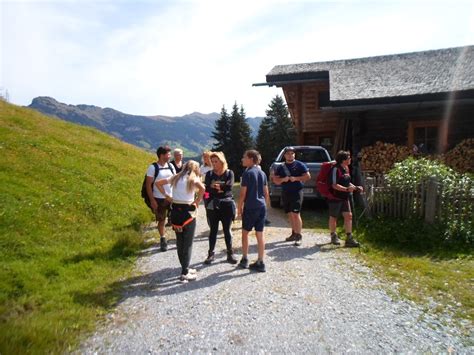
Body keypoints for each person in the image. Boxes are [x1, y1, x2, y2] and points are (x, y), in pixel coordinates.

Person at [155, 161, 205, 283]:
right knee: (188, 242)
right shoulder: (193, 179)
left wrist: (167, 196)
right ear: (195, 169)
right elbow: (203, 188)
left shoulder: (176, 177)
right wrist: (197, 201)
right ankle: (184, 272)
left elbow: (158, 183)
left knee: (180, 240)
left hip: (175, 212)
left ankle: (185, 267)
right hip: (188, 213)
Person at [237, 150, 270, 272]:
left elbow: (242, 194)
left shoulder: (247, 173)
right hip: (261, 207)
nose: (242, 159)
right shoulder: (262, 173)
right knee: (259, 234)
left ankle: (245, 259)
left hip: (250, 207)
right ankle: (261, 262)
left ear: (251, 159)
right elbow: (266, 193)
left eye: (244, 157)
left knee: (245, 233)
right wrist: (265, 207)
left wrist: (239, 209)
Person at [203, 152, 238, 265]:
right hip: (212, 205)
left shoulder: (229, 173)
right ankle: (211, 254)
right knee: (213, 230)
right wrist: (217, 189)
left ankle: (230, 253)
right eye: (212, 161)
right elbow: (207, 189)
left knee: (227, 230)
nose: (213, 164)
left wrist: (218, 187)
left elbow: (229, 187)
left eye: (216, 161)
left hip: (226, 205)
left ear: (222, 161)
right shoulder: (209, 174)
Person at [273, 147, 311, 246]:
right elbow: (275, 180)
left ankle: (298, 236)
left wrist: (296, 178)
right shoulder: (280, 167)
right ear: (284, 155)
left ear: (294, 154)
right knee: (290, 214)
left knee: (296, 213)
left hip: (297, 192)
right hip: (285, 193)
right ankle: (294, 233)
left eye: (292, 153)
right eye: (288, 154)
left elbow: (308, 176)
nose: (290, 155)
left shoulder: (299, 165)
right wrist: (283, 180)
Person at [328, 150, 363, 247]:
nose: (350, 159)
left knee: (349, 216)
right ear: (343, 160)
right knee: (333, 217)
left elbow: (347, 182)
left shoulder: (346, 168)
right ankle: (333, 235)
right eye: (348, 158)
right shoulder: (335, 169)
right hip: (335, 197)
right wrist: (347, 189)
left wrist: (356, 187)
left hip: (344, 197)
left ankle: (349, 238)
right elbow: (334, 185)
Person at [145, 145, 176, 252]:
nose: (170, 156)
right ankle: (163, 239)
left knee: (175, 218)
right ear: (162, 155)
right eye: (168, 154)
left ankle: (178, 238)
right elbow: (148, 185)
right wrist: (152, 200)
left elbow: (175, 180)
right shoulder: (153, 168)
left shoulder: (171, 166)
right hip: (159, 198)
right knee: (161, 220)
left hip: (172, 198)